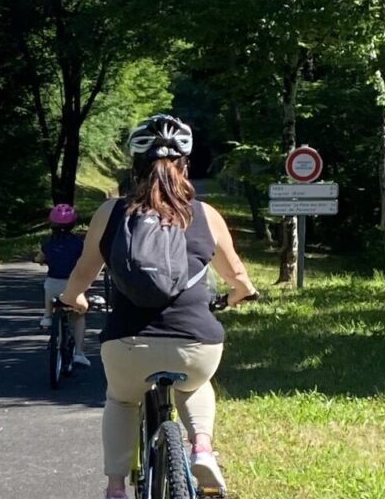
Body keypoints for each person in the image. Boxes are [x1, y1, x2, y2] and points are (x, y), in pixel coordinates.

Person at [58, 115, 257, 499]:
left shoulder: (111, 213)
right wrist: (238, 295)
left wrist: (72, 299)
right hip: (195, 344)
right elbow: (238, 277)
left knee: (122, 398)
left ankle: (116, 487)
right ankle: (201, 447)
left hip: (127, 345)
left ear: (134, 166)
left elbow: (82, 273)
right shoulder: (206, 215)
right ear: (185, 164)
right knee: (196, 384)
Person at [35, 203, 91, 367]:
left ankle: (47, 317)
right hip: (73, 286)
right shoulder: (79, 243)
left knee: (48, 285)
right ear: (73, 224)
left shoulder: (48, 243)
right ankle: (79, 353)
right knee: (80, 314)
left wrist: (39, 260)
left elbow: (39, 259)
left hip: (53, 286)